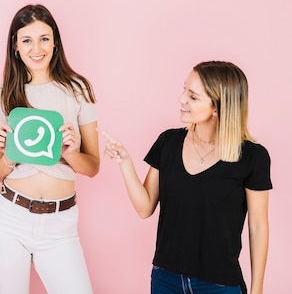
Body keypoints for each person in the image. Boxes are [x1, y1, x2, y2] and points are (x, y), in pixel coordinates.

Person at [101, 61, 271, 294]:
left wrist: (257, 288)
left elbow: (258, 226)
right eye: (184, 90)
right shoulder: (168, 142)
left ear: (217, 107)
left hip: (219, 285)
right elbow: (144, 208)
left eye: (192, 96)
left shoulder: (253, 157)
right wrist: (125, 163)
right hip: (165, 279)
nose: (182, 99)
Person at [0, 4, 99, 294]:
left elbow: (93, 167)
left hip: (61, 226)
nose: (37, 48)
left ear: (56, 41)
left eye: (44, 38)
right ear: (15, 46)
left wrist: (71, 153)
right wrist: (8, 154)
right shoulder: (2, 94)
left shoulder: (78, 89)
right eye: (27, 40)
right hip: (9, 219)